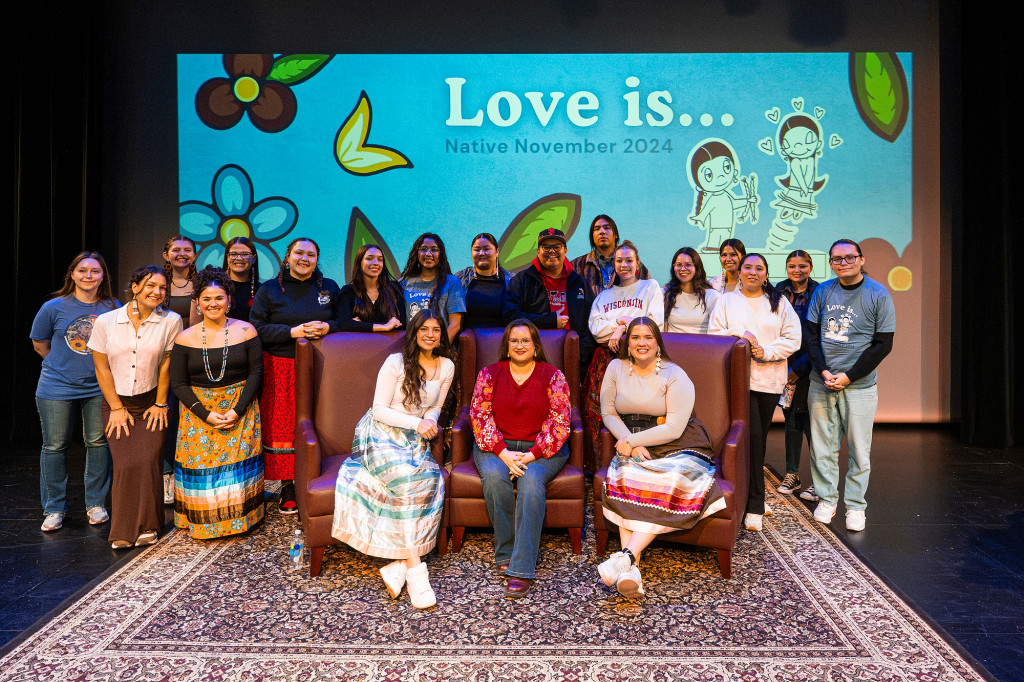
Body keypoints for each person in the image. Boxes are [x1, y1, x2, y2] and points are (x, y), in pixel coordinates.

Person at [331, 311, 454, 609]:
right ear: (414, 332)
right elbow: (379, 410)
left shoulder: (446, 365)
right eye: (424, 328)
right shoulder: (396, 363)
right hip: (381, 434)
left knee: (428, 480)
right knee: (405, 478)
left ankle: (398, 563)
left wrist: (430, 420)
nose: (430, 334)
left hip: (414, 439)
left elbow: (436, 406)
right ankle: (416, 571)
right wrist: (416, 423)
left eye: (436, 330)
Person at [596, 318, 726, 598]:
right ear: (627, 343)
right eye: (635, 338)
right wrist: (627, 444)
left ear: (658, 343)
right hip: (631, 440)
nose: (642, 343)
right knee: (627, 476)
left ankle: (625, 556)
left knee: (670, 478)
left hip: (677, 442)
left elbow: (674, 427)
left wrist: (633, 441)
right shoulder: (615, 367)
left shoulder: (674, 373)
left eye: (648, 337)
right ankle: (630, 570)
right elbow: (608, 412)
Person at [470, 319, 570, 599]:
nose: (520, 346)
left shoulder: (553, 376)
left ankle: (521, 569)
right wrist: (503, 453)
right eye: (514, 341)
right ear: (506, 346)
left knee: (530, 482)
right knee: (493, 476)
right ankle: (506, 551)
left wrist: (530, 456)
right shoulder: (489, 374)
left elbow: (560, 422)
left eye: (525, 341)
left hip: (542, 449)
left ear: (536, 346)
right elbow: (480, 417)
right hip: (496, 446)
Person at [88, 265, 183, 549]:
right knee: (126, 464)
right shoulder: (106, 321)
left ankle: (150, 525)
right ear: (135, 286)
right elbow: (101, 368)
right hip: (117, 404)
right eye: (151, 285)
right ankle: (123, 529)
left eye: (163, 288)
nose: (158, 292)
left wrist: (160, 403)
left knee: (149, 463)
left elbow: (167, 364)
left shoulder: (171, 320)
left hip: (152, 402)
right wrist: (116, 408)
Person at [805, 239, 895, 532]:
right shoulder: (822, 291)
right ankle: (827, 499)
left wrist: (849, 376)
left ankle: (856, 506)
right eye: (837, 259)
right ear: (830, 263)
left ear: (861, 259)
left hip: (859, 387)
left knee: (859, 449)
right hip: (822, 382)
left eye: (849, 258)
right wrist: (824, 370)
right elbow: (811, 336)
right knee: (822, 447)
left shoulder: (878, 294)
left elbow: (883, 345)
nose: (843, 263)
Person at [709, 253, 800, 532]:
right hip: (736, 380)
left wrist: (766, 352)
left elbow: (793, 338)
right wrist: (742, 333)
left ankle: (752, 497)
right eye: (748, 267)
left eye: (758, 268)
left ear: (766, 273)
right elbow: (714, 333)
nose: (752, 272)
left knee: (757, 443)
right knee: (746, 440)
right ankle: (754, 505)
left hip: (769, 380)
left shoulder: (779, 301)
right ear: (741, 270)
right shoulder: (726, 301)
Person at [170, 268, 264, 538]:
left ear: (229, 301)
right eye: (206, 299)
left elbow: (256, 373)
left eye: (219, 298)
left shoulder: (246, 331)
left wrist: (238, 409)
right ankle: (207, 524)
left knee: (237, 472)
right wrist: (204, 414)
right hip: (198, 412)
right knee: (204, 473)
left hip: (241, 408)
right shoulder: (185, 337)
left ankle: (241, 520)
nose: (213, 304)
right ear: (197, 303)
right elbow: (179, 383)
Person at [250, 237, 341, 514]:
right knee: (284, 426)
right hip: (281, 366)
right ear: (287, 256)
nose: (305, 259)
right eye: (299, 253)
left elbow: (344, 321)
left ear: (317, 259)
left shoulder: (329, 288)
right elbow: (257, 328)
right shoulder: (269, 290)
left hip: (324, 365)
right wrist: (294, 332)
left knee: (322, 422)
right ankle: (288, 485)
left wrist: (327, 326)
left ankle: (319, 479)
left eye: (311, 255)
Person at [31, 252, 119, 532]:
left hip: (99, 387)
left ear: (103, 275)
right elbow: (39, 344)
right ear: (72, 274)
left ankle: (96, 504)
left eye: (95, 271)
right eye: (82, 270)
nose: (88, 276)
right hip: (56, 386)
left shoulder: (114, 307)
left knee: (97, 443)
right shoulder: (53, 307)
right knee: (55, 446)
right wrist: (63, 368)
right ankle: (54, 508)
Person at [586, 241, 663, 458]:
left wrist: (623, 329)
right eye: (619, 261)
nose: (624, 265)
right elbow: (596, 330)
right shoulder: (603, 296)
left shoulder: (650, 287)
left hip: (640, 360)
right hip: (606, 360)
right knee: (602, 414)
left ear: (637, 263)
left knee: (637, 413)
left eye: (629, 260)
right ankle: (603, 465)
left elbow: (654, 326)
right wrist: (621, 323)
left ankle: (642, 458)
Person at [503, 227, 595, 374]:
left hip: (574, 359)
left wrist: (581, 356)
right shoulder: (521, 280)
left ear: (565, 250)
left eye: (557, 246)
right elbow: (510, 316)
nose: (551, 251)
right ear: (538, 251)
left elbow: (591, 322)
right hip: (533, 359)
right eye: (546, 247)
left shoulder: (580, 283)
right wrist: (549, 320)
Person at [774, 250, 819, 499]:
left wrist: (799, 368)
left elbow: (820, 335)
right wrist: (784, 367)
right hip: (783, 364)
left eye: (802, 266)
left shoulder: (821, 292)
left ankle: (819, 480)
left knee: (814, 424)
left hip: (811, 366)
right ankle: (792, 475)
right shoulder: (777, 290)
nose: (797, 270)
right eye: (792, 266)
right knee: (791, 420)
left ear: (810, 268)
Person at [161, 235, 199, 505]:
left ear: (194, 256)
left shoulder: (200, 285)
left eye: (187, 250)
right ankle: (167, 476)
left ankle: (189, 474)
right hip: (163, 360)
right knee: (168, 416)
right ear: (167, 255)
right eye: (176, 250)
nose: (182, 254)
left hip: (194, 358)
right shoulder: (158, 284)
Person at [399, 233, 465, 344]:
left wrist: (439, 349)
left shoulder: (452, 283)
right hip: (411, 349)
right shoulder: (403, 283)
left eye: (434, 250)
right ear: (417, 253)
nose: (428, 254)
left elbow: (455, 325)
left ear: (441, 254)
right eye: (423, 249)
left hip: (440, 350)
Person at [570, 215, 650, 298]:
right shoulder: (577, 265)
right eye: (597, 229)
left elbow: (648, 292)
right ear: (592, 237)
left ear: (615, 235)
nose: (602, 232)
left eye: (607, 228)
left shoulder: (632, 264)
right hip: (591, 310)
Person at [189, 236, 263, 325]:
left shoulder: (262, 290)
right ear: (227, 258)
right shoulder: (212, 285)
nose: (239, 258)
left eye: (244, 254)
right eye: (233, 254)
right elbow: (194, 324)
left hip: (251, 337)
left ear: (254, 258)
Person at [337, 244, 405, 332]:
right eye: (369, 258)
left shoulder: (394, 288)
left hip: (391, 344)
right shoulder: (348, 291)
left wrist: (361, 325)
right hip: (360, 344)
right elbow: (344, 324)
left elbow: (402, 323)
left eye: (380, 259)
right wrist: (385, 326)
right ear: (359, 262)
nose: (376, 263)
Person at [455, 232, 513, 329]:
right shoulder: (459, 279)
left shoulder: (511, 280)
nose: (481, 253)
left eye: (486, 249)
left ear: (497, 252)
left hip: (502, 341)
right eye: (477, 250)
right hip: (466, 341)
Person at [662, 247, 720, 334]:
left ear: (697, 267)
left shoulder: (711, 296)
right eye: (679, 265)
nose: (683, 269)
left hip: (702, 346)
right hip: (671, 346)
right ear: (674, 267)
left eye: (688, 265)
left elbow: (717, 331)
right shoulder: (665, 293)